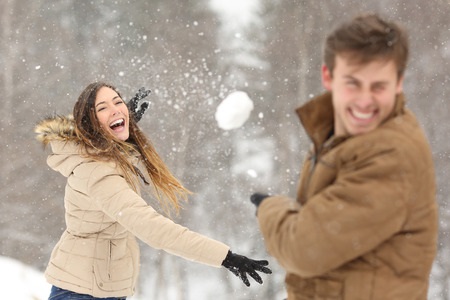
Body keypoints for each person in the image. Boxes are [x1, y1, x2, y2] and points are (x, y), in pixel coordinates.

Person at [249, 14, 438, 300]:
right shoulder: (340, 137)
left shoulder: (392, 154)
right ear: (329, 77)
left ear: (399, 82)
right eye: (353, 83)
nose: (364, 100)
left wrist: (269, 208)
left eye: (378, 86)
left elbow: (304, 248)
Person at [35, 82, 271, 300]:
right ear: (90, 122)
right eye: (103, 108)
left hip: (96, 286)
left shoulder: (102, 155)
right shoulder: (98, 173)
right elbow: (152, 228)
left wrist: (119, 132)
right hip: (84, 291)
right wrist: (224, 256)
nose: (116, 109)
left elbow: (105, 148)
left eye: (118, 102)